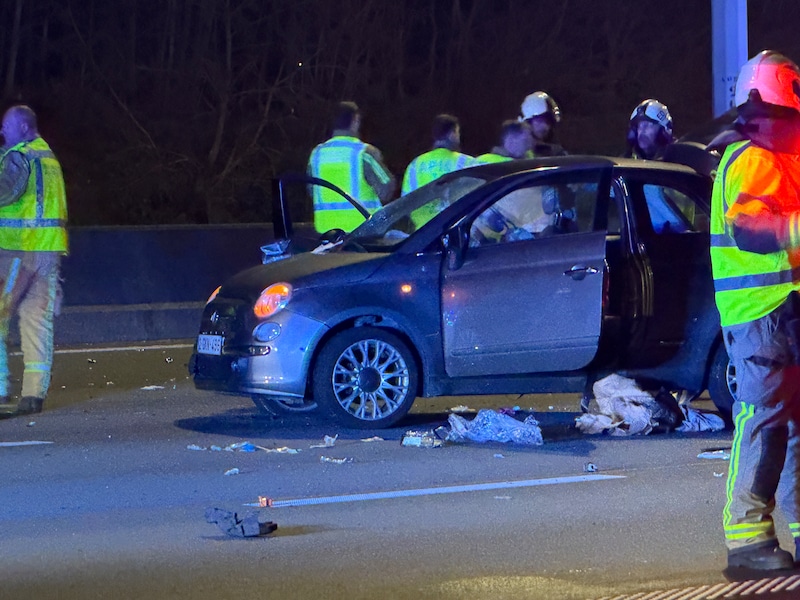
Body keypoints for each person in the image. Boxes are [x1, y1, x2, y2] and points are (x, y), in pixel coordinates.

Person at [709, 50, 800, 573]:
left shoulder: (778, 158)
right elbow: (748, 228)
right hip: (760, 315)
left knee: (790, 427)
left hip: (782, 313)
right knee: (765, 423)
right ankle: (747, 541)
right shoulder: (754, 159)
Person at [0, 105, 68, 417]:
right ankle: (33, 395)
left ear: (25, 128)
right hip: (48, 251)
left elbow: (7, 192)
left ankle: (1, 387)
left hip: (20, 252)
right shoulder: (47, 157)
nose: (3, 132)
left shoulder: (21, 156)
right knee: (36, 321)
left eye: (7, 126)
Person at [307, 101, 396, 233]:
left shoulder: (316, 154)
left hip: (326, 233)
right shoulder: (363, 153)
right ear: (356, 120)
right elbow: (386, 189)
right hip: (363, 232)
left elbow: (311, 190)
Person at [401, 114, 475, 195]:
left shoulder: (415, 165)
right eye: (458, 132)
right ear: (451, 134)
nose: (459, 138)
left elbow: (406, 198)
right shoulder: (466, 162)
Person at [518, 91, 567, 157]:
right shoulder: (516, 153)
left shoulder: (556, 152)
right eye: (540, 121)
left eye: (548, 122)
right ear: (527, 122)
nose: (545, 126)